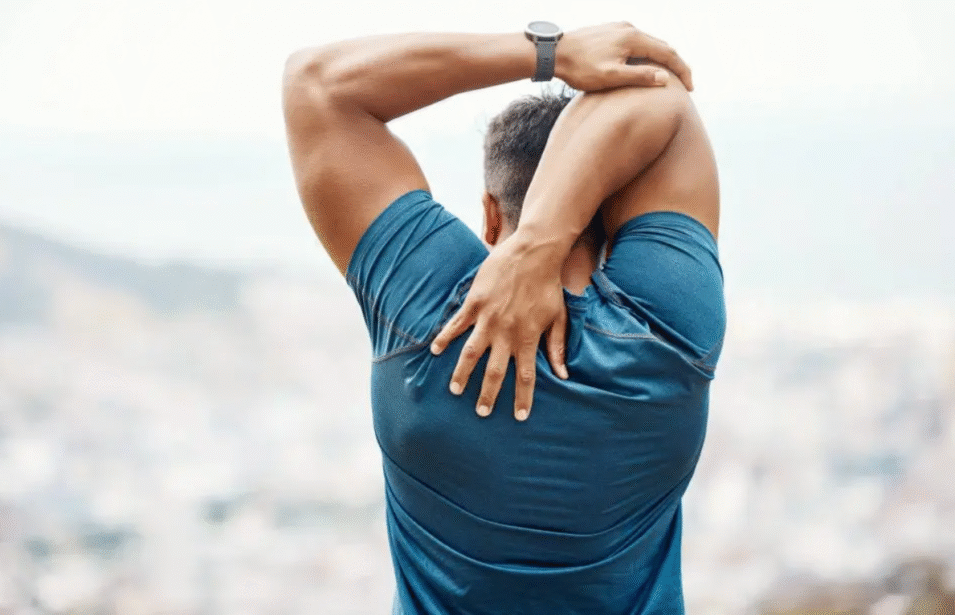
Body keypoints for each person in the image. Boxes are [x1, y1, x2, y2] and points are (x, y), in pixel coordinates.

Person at [283, 20, 725, 614]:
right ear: (620, 212)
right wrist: (545, 238)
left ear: (490, 215)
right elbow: (658, 94)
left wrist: (551, 54)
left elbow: (317, 85)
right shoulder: (667, 335)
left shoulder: (429, 316)